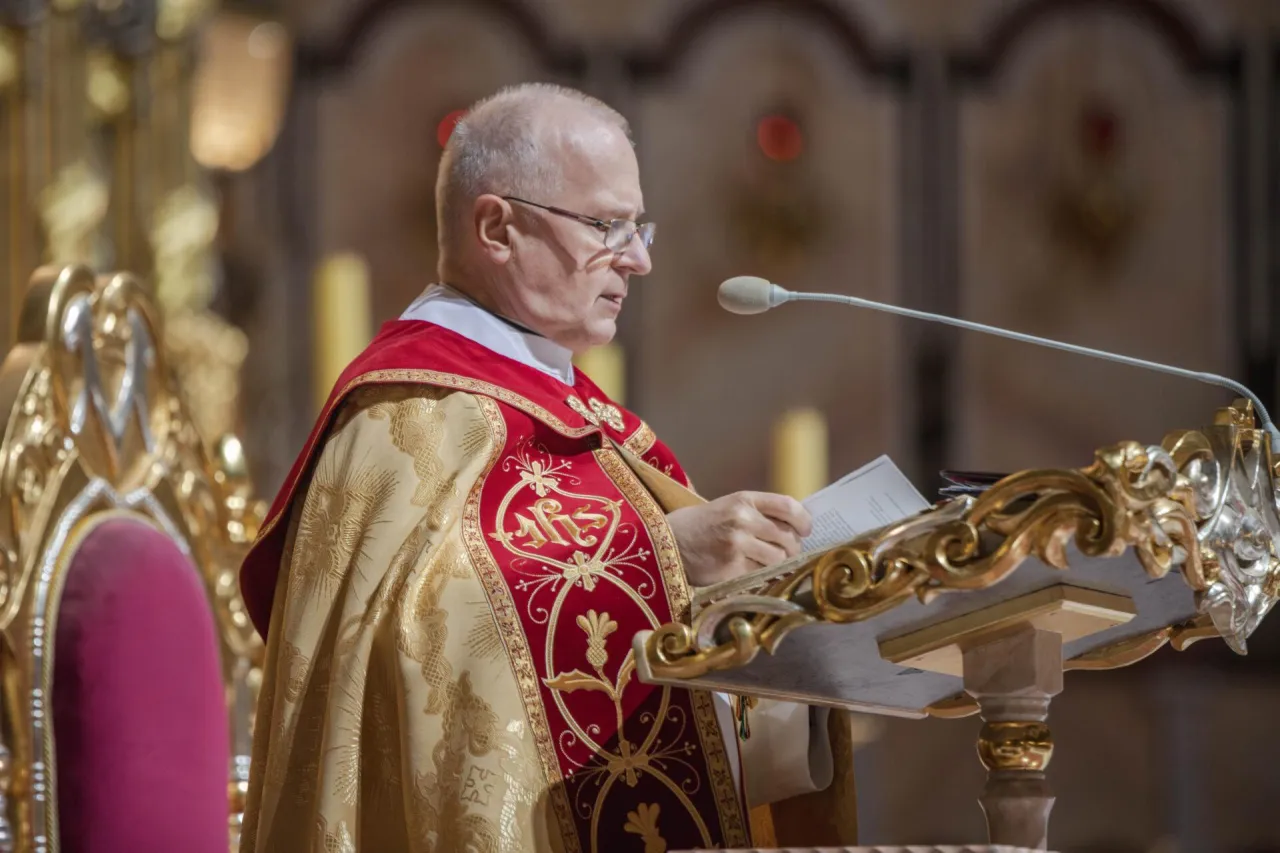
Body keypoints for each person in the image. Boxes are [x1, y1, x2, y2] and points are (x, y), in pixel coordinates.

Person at [239, 83, 849, 853]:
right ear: (497, 226)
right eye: (608, 226)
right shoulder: (402, 414)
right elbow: (411, 650)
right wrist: (665, 555)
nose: (641, 258)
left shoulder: (593, 418)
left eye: (639, 225)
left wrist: (779, 605)